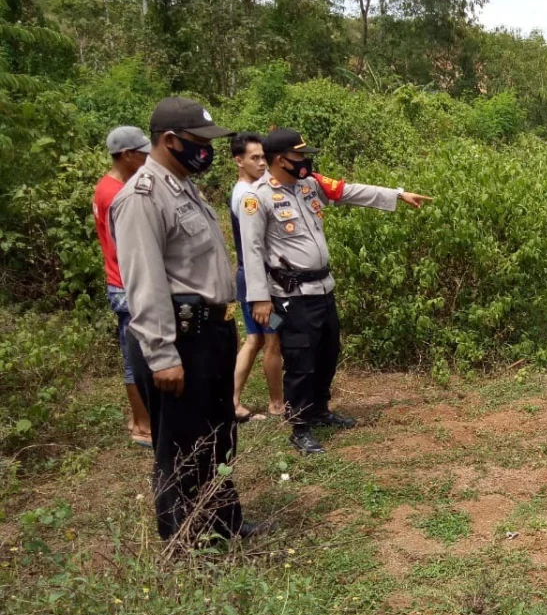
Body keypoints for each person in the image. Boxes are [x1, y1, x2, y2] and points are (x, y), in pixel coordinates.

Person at [111, 97, 268, 543]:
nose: (207, 152)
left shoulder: (183, 185)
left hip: (209, 332)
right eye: (199, 143)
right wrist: (161, 355)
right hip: (179, 339)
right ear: (170, 141)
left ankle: (223, 523)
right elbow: (144, 283)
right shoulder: (142, 198)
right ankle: (183, 543)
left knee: (216, 437)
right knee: (179, 447)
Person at [239, 128, 433, 456]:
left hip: (323, 288)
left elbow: (350, 191)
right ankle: (300, 427)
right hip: (292, 294)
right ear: (280, 159)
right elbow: (251, 249)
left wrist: (398, 195)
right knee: (300, 361)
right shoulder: (257, 197)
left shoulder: (310, 184)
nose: (305, 161)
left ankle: (319, 410)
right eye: (299, 156)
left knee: (328, 352)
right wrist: (259, 298)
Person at [92, 126, 153, 447]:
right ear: (127, 155)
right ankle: (143, 426)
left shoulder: (109, 186)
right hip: (126, 285)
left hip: (122, 282)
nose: (147, 157)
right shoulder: (114, 194)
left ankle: (141, 418)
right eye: (142, 152)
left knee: (137, 354)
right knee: (137, 357)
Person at [228, 132, 285, 422]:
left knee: (255, 339)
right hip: (255, 279)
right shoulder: (246, 196)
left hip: (251, 278)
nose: (262, 163)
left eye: (263, 156)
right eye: (254, 158)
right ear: (238, 161)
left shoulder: (250, 189)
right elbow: (252, 245)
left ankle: (233, 400)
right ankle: (277, 403)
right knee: (270, 339)